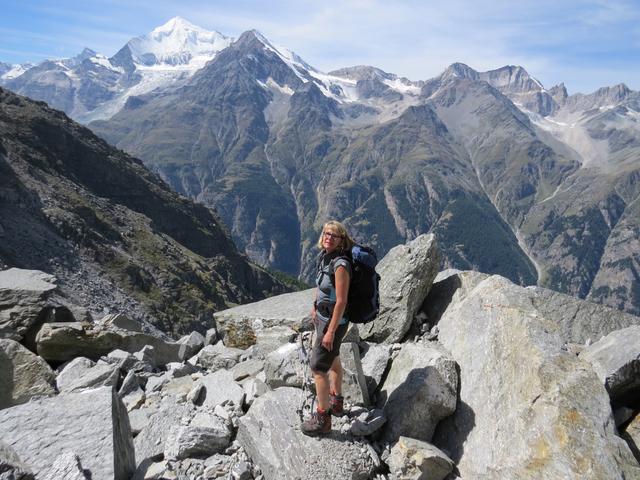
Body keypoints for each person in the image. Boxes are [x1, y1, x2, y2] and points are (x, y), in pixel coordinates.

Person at [301, 220, 355, 436]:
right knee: (333, 359)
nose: (328, 237)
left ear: (341, 240)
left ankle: (323, 419)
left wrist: (331, 331)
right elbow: (321, 286)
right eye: (325, 233)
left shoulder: (341, 264)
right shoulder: (325, 256)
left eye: (334, 235)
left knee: (317, 368)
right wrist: (315, 306)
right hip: (323, 317)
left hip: (334, 322)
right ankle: (337, 401)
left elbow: (341, 301)